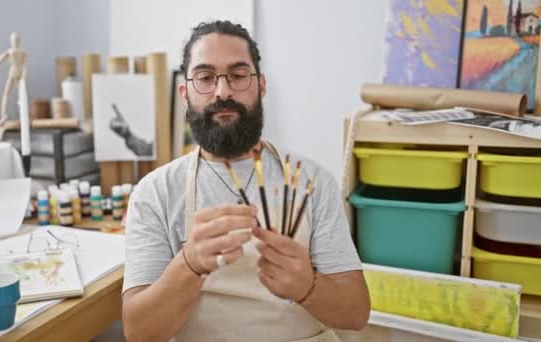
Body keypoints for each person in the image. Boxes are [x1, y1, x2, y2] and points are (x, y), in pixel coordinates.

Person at [122, 20, 370, 342]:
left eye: (238, 76)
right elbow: (140, 332)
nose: (222, 91)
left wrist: (308, 287)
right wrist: (189, 264)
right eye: (205, 77)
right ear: (184, 93)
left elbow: (356, 314)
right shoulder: (154, 193)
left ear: (261, 86)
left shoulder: (312, 182)